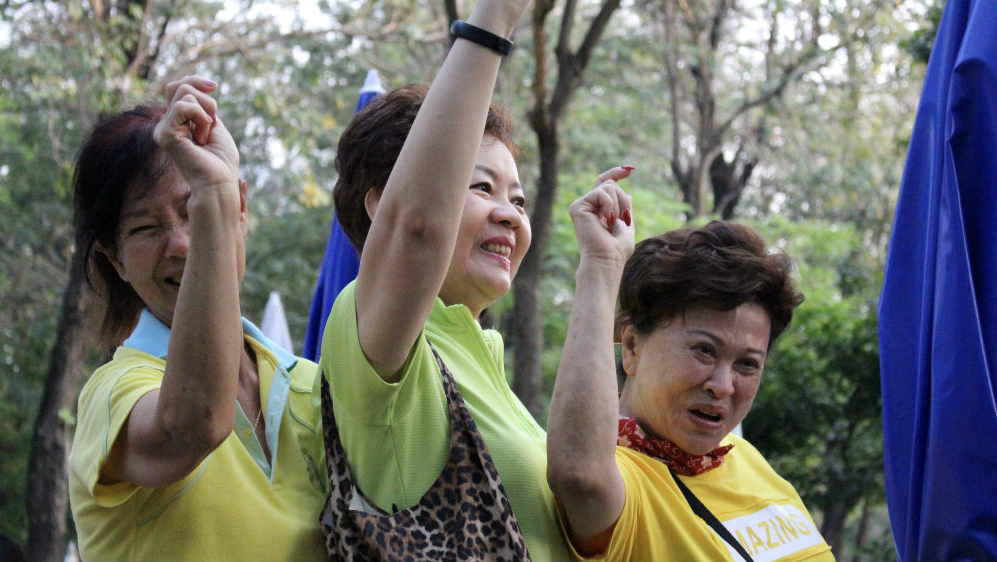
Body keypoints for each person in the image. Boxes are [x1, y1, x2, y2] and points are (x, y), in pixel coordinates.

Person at [317, 0, 570, 559]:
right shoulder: (370, 335)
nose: (511, 214)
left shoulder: (482, 351)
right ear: (385, 206)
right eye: (481, 189)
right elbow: (416, 231)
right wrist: (495, 20)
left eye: (518, 198)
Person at [67, 77, 328, 562]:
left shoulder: (313, 387)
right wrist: (212, 195)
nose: (182, 244)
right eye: (146, 227)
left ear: (242, 208)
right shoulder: (114, 394)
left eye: (192, 211)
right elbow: (193, 423)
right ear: (116, 260)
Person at [547, 180, 836, 562]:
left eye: (747, 364)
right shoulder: (624, 480)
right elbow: (580, 477)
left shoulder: (742, 455)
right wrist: (601, 267)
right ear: (631, 346)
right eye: (704, 350)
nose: (723, 386)